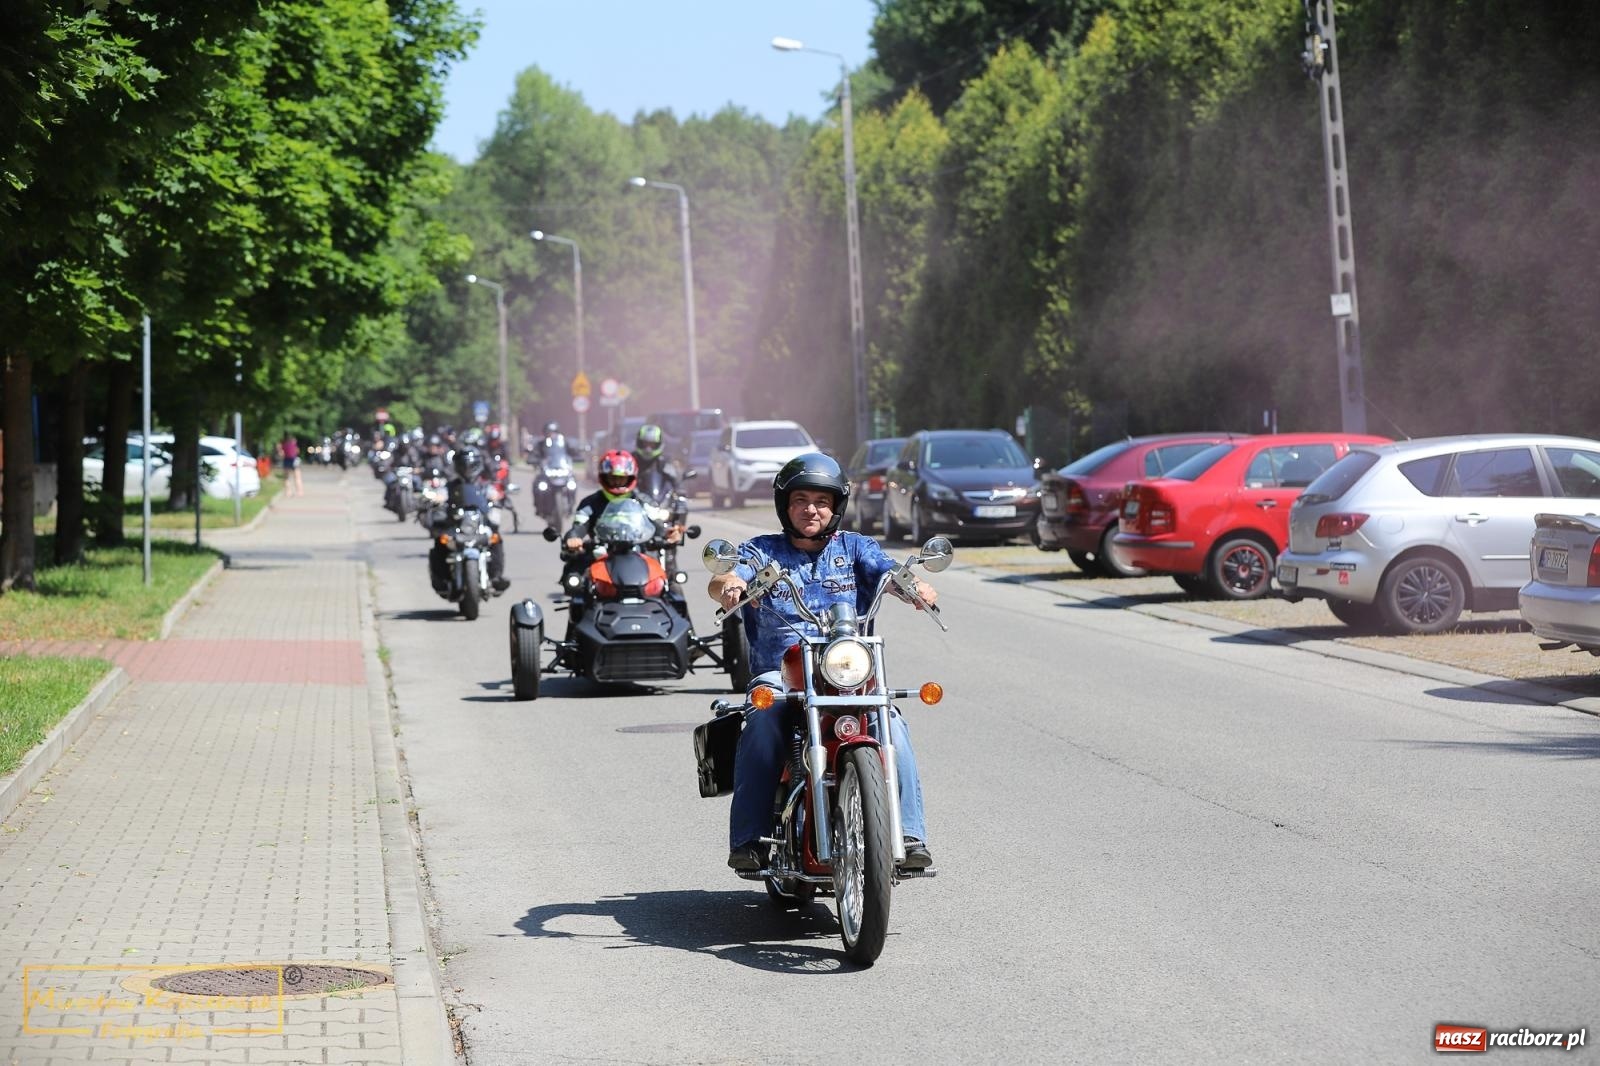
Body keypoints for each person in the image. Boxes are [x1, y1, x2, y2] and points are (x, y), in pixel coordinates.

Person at [706, 453, 938, 873]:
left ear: (836, 507)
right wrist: (731, 584)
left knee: (894, 723)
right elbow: (727, 576)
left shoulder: (855, 547)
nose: (811, 509)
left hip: (847, 673)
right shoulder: (761, 551)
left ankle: (908, 833)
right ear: (784, 505)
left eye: (821, 501)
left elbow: (889, 572)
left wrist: (915, 586)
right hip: (780, 675)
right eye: (800, 499)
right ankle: (750, 839)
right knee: (761, 721)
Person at [428, 445, 510, 594]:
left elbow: (494, 493)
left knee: (496, 540)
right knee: (440, 542)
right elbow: (442, 493)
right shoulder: (452, 485)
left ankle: (496, 576)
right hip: (457, 525)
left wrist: (497, 497)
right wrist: (437, 498)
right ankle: (441, 579)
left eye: (470, 464)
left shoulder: (483, 485)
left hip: (479, 525)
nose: (467, 468)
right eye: (463, 464)